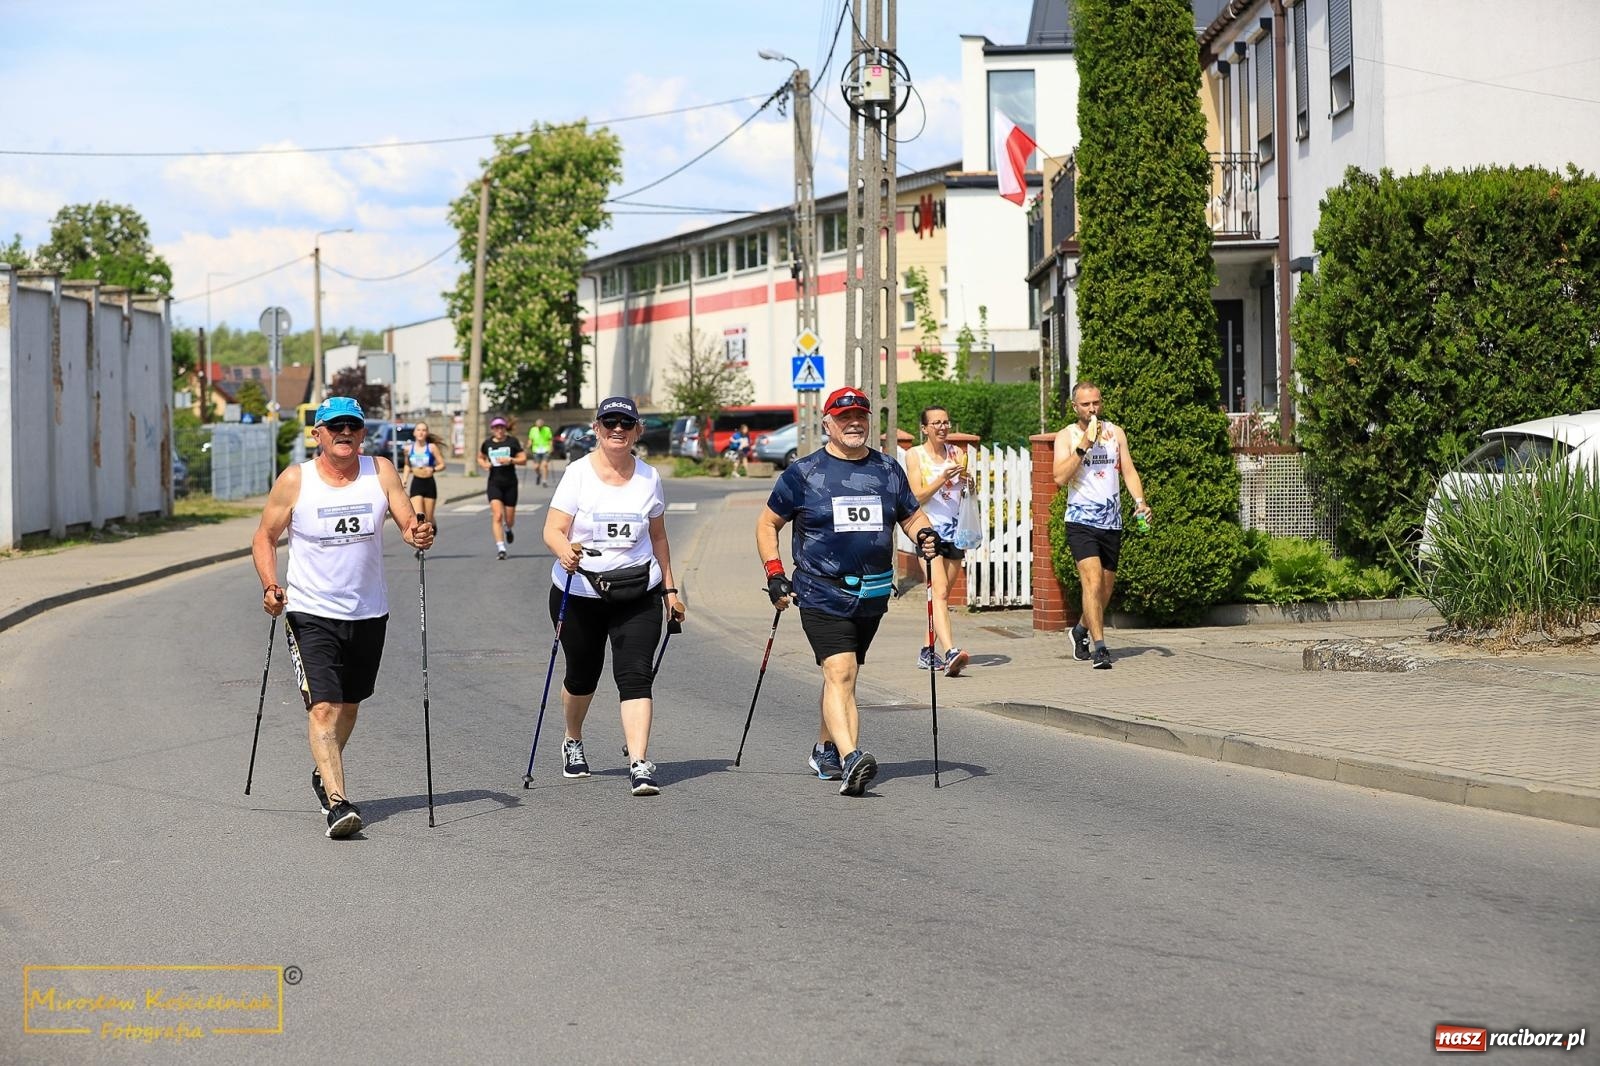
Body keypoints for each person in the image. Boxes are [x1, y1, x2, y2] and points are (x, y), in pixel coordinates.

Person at [250, 396, 435, 839]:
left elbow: (409, 524)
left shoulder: (381, 471)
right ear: (318, 434)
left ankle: (322, 769)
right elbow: (264, 536)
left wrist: (420, 533)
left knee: (350, 704)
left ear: (362, 432)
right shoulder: (296, 480)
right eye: (335, 427)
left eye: (352, 426)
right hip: (311, 612)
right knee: (324, 707)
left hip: (369, 610)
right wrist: (271, 587)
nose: (345, 433)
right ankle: (337, 802)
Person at [756, 386, 950, 797]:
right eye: (844, 418)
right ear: (828, 423)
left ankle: (824, 749)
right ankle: (851, 759)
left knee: (844, 677)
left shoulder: (887, 470)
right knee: (840, 671)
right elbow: (767, 524)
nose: (854, 423)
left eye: (860, 416)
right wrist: (775, 572)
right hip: (820, 590)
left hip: (873, 594)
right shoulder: (803, 473)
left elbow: (910, 515)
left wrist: (925, 535)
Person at [542, 396, 686, 796]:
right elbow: (553, 530)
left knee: (635, 674)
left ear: (638, 429)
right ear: (597, 429)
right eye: (610, 423)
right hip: (581, 590)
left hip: (638, 590)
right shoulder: (577, 475)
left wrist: (670, 592)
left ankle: (640, 761)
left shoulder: (649, 478)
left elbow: (658, 537)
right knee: (582, 675)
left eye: (626, 423)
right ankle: (573, 739)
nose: (617, 429)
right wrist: (563, 549)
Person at [1052, 380, 1152, 670]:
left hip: (1112, 521)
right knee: (1092, 581)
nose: (1092, 408)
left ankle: (1080, 630)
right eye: (1085, 404)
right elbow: (1059, 478)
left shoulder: (1115, 433)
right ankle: (1100, 648)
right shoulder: (1067, 436)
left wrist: (1140, 502)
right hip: (1081, 521)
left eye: (1096, 402)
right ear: (1075, 407)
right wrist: (1083, 447)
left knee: (1105, 589)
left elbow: (1128, 470)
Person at [904, 405, 971, 676]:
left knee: (941, 597)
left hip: (956, 532)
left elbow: (963, 492)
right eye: (936, 423)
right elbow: (915, 497)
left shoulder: (959, 454)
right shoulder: (914, 456)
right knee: (940, 592)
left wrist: (969, 483)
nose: (942, 427)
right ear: (924, 429)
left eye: (946, 422)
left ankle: (926, 651)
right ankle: (951, 650)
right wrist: (941, 479)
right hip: (928, 532)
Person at [478, 416, 527, 560]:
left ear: (505, 429)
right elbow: (480, 457)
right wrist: (484, 464)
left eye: (501, 427)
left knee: (509, 519)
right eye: (496, 428)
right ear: (492, 429)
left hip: (510, 483)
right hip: (494, 483)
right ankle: (501, 548)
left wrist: (511, 460)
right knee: (497, 515)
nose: (499, 430)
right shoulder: (487, 443)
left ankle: (508, 528)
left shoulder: (512, 442)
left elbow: (523, 459)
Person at [403, 420, 445, 526]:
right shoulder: (409, 449)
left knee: (429, 520)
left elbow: (442, 464)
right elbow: (407, 465)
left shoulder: (431, 447)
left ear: (426, 433)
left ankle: (432, 522)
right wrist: (404, 479)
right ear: (414, 433)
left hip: (429, 484)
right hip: (416, 483)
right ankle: (423, 540)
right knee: (420, 518)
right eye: (418, 430)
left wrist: (434, 469)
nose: (421, 432)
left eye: (424, 430)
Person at [528, 417, 554, 487]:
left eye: (540, 426)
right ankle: (539, 474)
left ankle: (544, 481)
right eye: (538, 426)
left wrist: (551, 447)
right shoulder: (533, 430)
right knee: (536, 467)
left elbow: (550, 439)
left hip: (545, 449)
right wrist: (528, 445)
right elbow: (530, 439)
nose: (539, 427)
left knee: (544, 465)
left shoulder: (547, 429)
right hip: (536, 449)